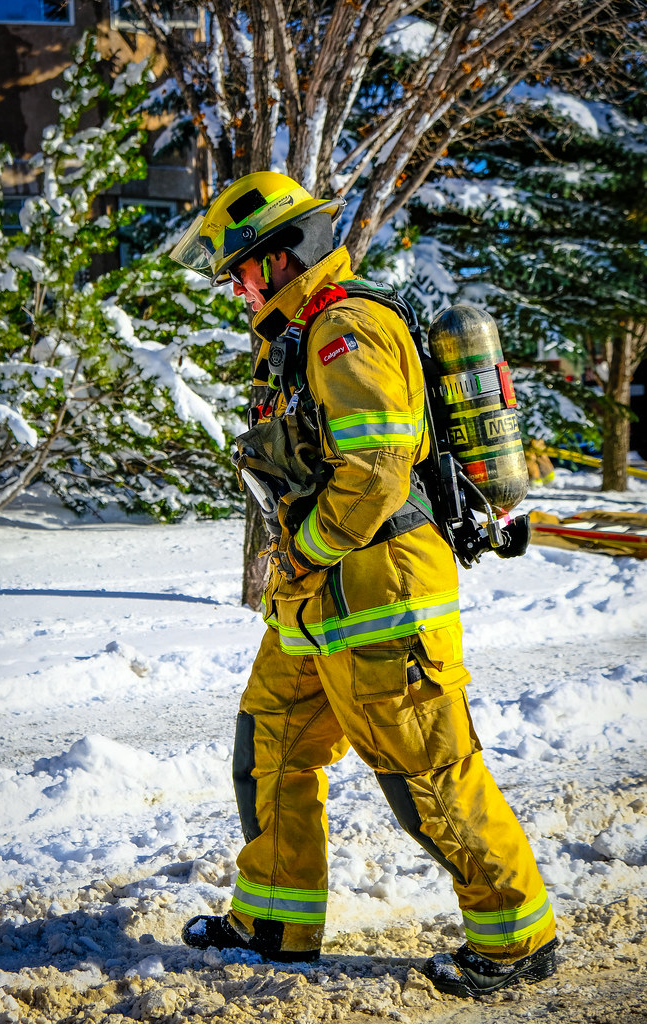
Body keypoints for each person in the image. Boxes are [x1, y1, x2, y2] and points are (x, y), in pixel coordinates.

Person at [168, 172, 558, 998]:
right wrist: (302, 566)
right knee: (270, 741)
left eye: (239, 268)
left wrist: (305, 550)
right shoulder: (303, 331)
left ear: (279, 259)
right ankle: (274, 919)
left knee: (425, 767)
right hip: (321, 594)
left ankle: (516, 936)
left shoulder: (346, 329)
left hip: (379, 588)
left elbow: (376, 470)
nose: (234, 286)